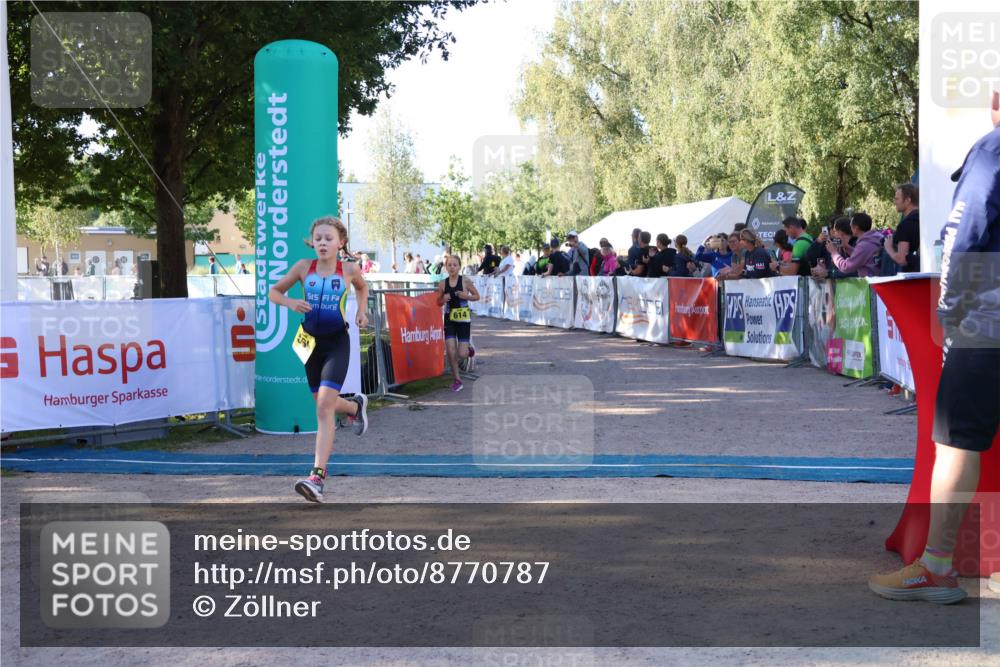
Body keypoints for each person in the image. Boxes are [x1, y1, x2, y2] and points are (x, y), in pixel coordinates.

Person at [869, 94, 1000, 604]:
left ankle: (937, 567)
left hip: (987, 321)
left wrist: (948, 311)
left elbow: (964, 234)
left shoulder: (991, 151)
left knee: (955, 443)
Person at [268, 216, 370, 503]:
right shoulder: (303, 267)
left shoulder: (349, 269)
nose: (322, 243)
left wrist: (361, 311)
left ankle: (317, 478)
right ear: (312, 242)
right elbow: (274, 292)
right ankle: (354, 406)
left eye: (328, 238)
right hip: (310, 343)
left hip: (337, 342)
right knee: (323, 403)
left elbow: (362, 288)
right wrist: (289, 302)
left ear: (341, 242)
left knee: (324, 407)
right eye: (318, 238)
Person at [436, 255, 480, 392]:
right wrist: (443, 299)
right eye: (449, 265)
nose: (452, 267)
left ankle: (469, 350)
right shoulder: (443, 284)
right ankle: (457, 380)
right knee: (450, 351)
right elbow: (438, 302)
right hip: (449, 319)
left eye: (455, 265)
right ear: (446, 267)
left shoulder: (465, 281)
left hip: (463, 320)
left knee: (461, 354)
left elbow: (477, 296)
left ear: (459, 267)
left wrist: (466, 296)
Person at [826, 212, 881, 277]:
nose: (850, 228)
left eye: (851, 226)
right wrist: (847, 247)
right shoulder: (872, 239)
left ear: (856, 228)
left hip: (871, 281)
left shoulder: (864, 245)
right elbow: (861, 256)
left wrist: (834, 253)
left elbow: (846, 267)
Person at [884, 183, 921, 274]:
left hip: (912, 276)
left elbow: (902, 259)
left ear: (907, 200)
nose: (895, 202)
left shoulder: (905, 225)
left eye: (897, 199)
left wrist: (889, 248)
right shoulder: (924, 219)